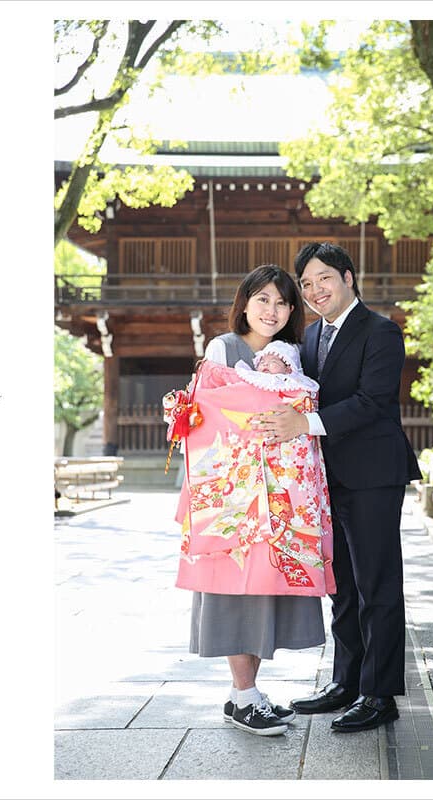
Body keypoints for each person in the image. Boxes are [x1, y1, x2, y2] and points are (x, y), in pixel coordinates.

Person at [255, 242, 422, 733]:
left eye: (323, 278)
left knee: (378, 584)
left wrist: (304, 423)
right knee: (343, 586)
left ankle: (379, 693)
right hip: (324, 478)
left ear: (349, 278)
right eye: (305, 284)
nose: (314, 290)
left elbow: (372, 402)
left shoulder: (381, 332)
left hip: (373, 475)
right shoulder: (309, 340)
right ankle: (346, 681)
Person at [176, 264, 331, 737]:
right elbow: (213, 409)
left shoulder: (294, 356)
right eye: (262, 299)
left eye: (283, 302)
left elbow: (303, 411)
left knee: (263, 593)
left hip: (280, 492)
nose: (272, 310)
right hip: (234, 495)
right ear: (243, 303)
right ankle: (243, 696)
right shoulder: (224, 348)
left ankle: (247, 694)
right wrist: (272, 412)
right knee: (233, 590)